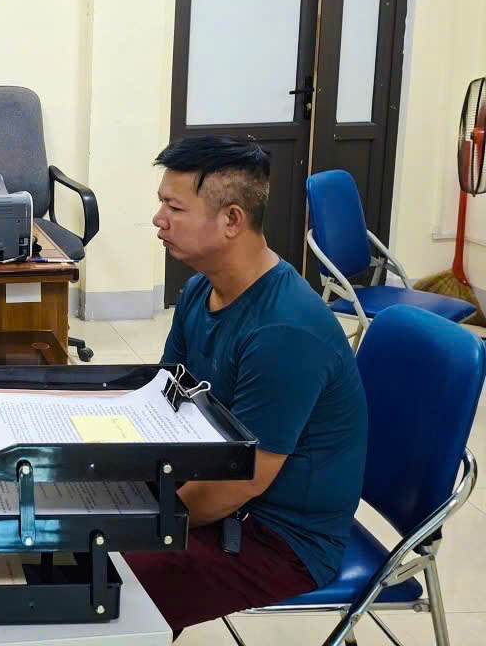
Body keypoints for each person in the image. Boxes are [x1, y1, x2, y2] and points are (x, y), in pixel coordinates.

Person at [123, 136, 367, 639]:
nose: (158, 219)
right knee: (73, 526)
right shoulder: (200, 290)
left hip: (280, 537)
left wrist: (134, 522)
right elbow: (164, 400)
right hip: (216, 491)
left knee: (110, 577)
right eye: (161, 204)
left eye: (174, 208)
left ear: (232, 220)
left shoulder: (284, 331)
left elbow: (240, 485)